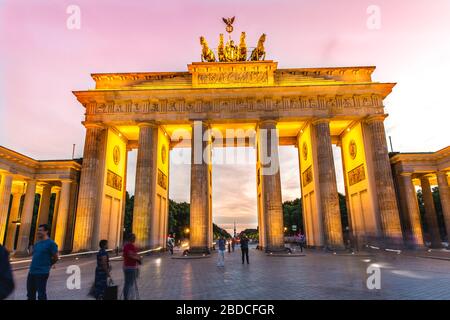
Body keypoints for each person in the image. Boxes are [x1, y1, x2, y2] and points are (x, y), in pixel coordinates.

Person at [27, 224, 58, 300]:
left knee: (41, 295)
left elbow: (56, 257)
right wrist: (30, 244)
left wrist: (49, 264)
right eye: (38, 230)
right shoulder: (37, 243)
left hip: (42, 272)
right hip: (32, 272)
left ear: (46, 231)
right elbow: (31, 253)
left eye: (40, 230)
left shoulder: (51, 244)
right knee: (30, 295)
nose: (38, 232)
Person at [122, 233, 141, 300]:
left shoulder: (126, 246)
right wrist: (138, 259)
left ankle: (127, 297)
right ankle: (127, 297)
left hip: (127, 266)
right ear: (130, 238)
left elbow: (125, 255)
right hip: (130, 267)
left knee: (128, 283)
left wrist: (136, 256)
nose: (134, 239)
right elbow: (130, 255)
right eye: (134, 238)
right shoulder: (130, 246)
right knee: (129, 284)